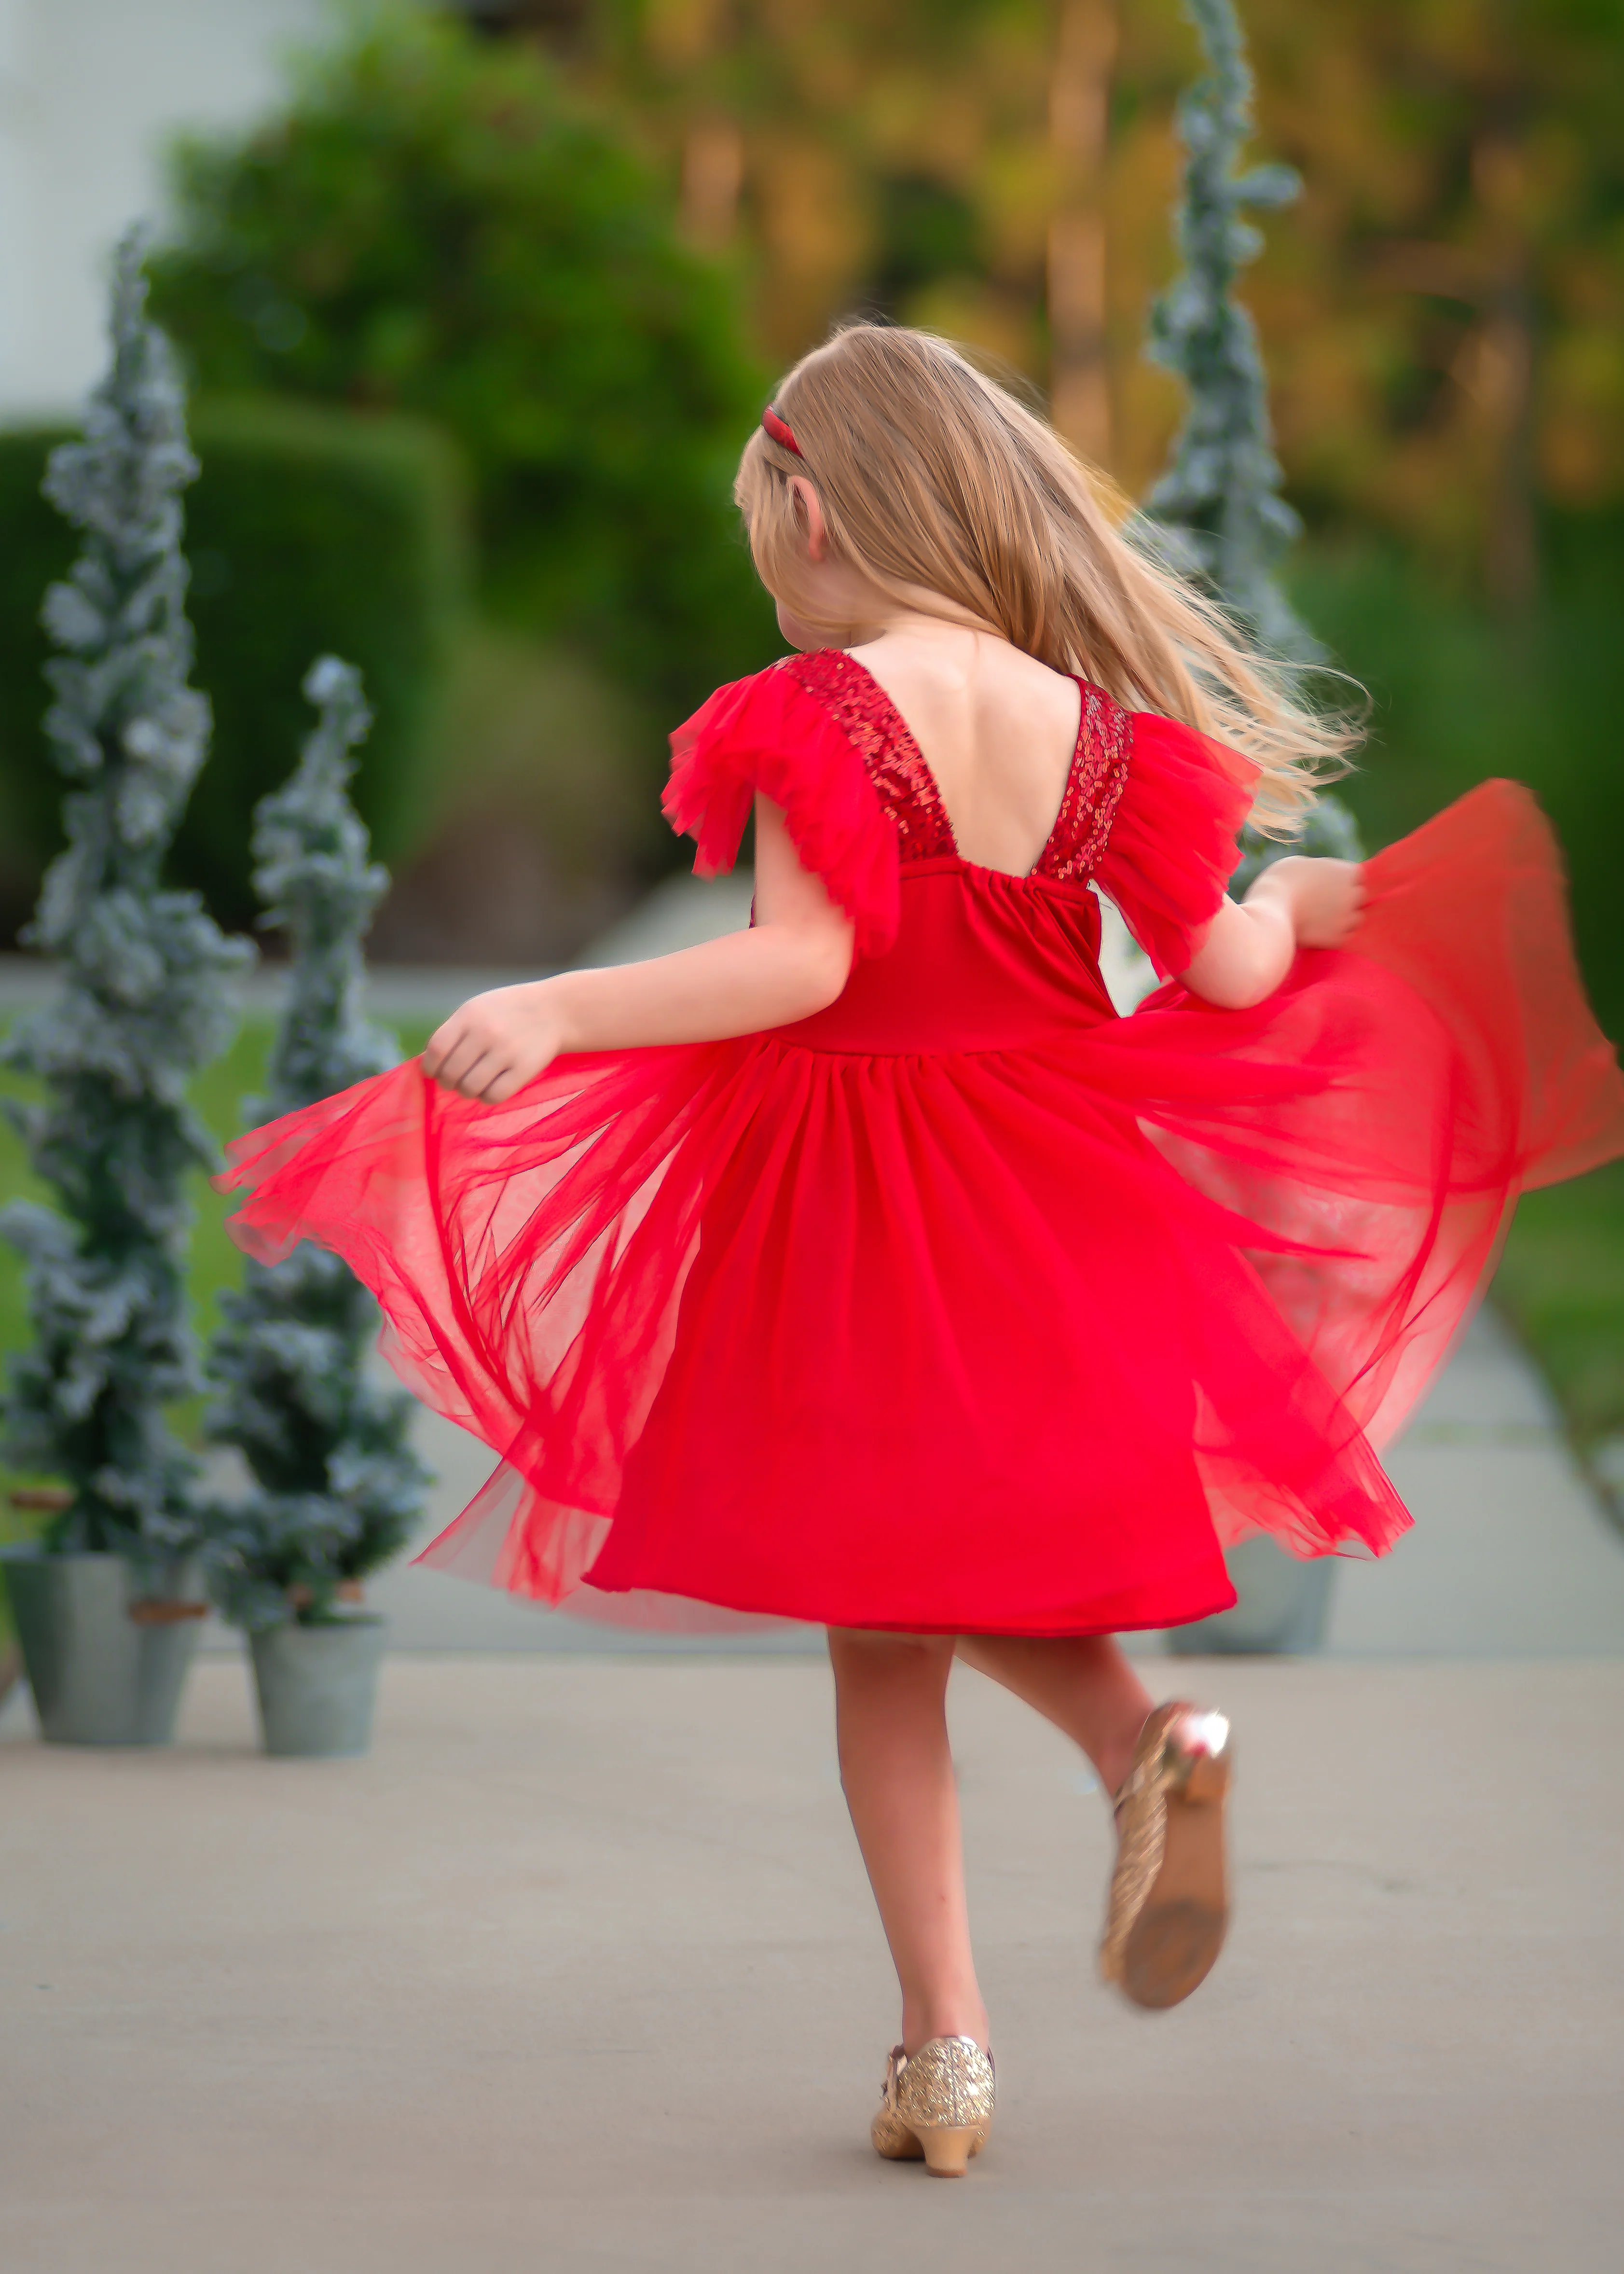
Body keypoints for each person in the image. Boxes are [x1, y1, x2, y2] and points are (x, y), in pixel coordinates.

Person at [221, 324, 1624, 2179]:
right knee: (957, 1556)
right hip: (1063, 1188)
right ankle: (1143, 1747)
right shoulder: (1110, 738)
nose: (768, 576)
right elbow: (1220, 970)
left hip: (861, 1193)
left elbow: (802, 970)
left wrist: (566, 1006)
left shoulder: (818, 712)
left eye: (762, 533)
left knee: (880, 1637)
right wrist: (1292, 899)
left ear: (812, 507)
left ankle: (944, 2051)